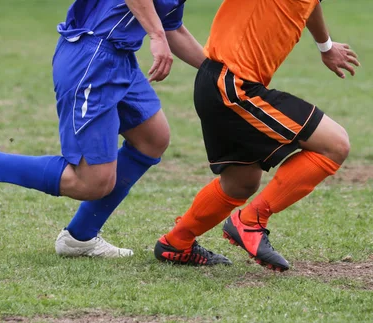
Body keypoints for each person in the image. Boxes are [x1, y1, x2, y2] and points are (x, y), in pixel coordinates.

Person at [0, 0, 207, 258]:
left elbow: (172, 27)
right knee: (92, 183)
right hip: (92, 58)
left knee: (153, 138)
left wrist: (219, 72)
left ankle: (79, 237)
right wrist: (156, 35)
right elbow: (160, 28)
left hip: (119, 57)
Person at [154, 0, 360, 270]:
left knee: (241, 183)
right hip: (233, 85)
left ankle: (176, 243)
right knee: (335, 144)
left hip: (220, 82)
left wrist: (326, 46)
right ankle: (250, 222)